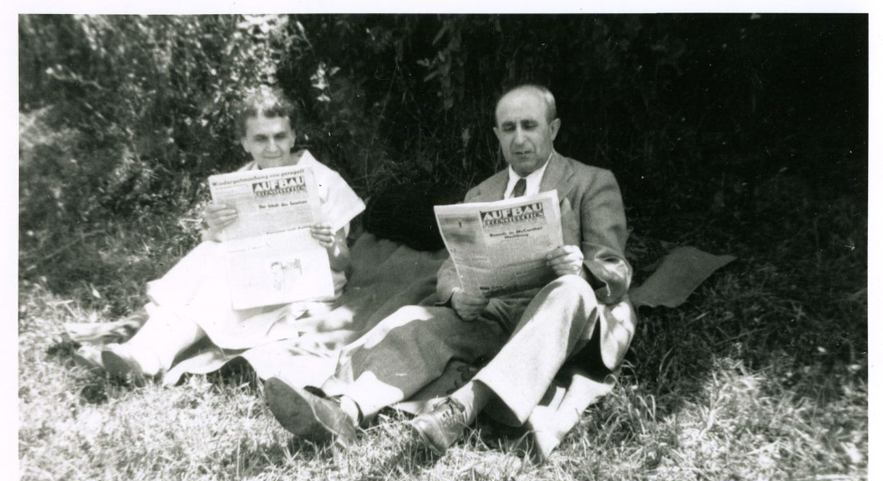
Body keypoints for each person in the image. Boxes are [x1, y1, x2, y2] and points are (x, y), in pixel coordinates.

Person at [264, 84, 636, 453]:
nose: (519, 139)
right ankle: (342, 409)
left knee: (571, 289)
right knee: (413, 321)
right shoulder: (481, 194)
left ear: (552, 129)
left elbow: (615, 268)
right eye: (509, 129)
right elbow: (450, 267)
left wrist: (581, 269)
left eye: (529, 126)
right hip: (494, 316)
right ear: (497, 135)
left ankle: (462, 408)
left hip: (563, 319)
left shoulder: (591, 182)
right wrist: (458, 295)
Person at [100, 87, 365, 384]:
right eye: (260, 138)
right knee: (210, 255)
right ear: (245, 143)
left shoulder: (324, 181)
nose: (273, 147)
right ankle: (142, 351)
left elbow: (343, 263)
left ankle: (150, 354)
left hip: (308, 284)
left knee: (221, 277)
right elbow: (219, 248)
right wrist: (214, 228)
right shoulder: (242, 180)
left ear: (293, 137)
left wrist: (329, 244)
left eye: (279, 136)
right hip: (258, 275)